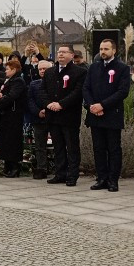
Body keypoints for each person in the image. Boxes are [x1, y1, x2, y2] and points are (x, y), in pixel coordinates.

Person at [82, 39, 132, 191]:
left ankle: (113, 180)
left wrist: (102, 105)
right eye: (101, 48)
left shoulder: (122, 68)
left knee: (113, 149)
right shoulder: (93, 67)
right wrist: (92, 105)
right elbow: (86, 87)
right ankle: (101, 178)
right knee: (98, 148)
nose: (103, 51)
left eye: (106, 49)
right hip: (95, 114)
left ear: (114, 50)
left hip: (111, 114)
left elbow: (122, 92)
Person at [42, 44, 87, 186]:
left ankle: (72, 175)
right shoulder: (50, 72)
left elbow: (78, 92)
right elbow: (42, 90)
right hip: (53, 115)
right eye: (59, 52)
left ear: (72, 55)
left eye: (64, 52)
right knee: (58, 146)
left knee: (71, 146)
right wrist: (48, 103)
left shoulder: (79, 72)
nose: (60, 54)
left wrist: (61, 104)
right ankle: (60, 173)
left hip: (69, 115)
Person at [0, 58, 28, 177]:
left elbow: (12, 96)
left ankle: (14, 167)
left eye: (7, 69)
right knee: (6, 141)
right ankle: (7, 166)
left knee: (13, 141)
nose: (5, 71)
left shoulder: (18, 81)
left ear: (14, 70)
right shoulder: (9, 81)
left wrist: (1, 99)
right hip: (6, 115)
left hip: (14, 115)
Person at [27, 59, 53, 179]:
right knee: (39, 146)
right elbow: (30, 100)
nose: (42, 71)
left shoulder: (56, 82)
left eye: (45, 69)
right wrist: (38, 112)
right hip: (38, 118)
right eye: (40, 69)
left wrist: (48, 110)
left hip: (53, 117)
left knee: (58, 144)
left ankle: (59, 168)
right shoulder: (34, 84)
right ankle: (42, 168)